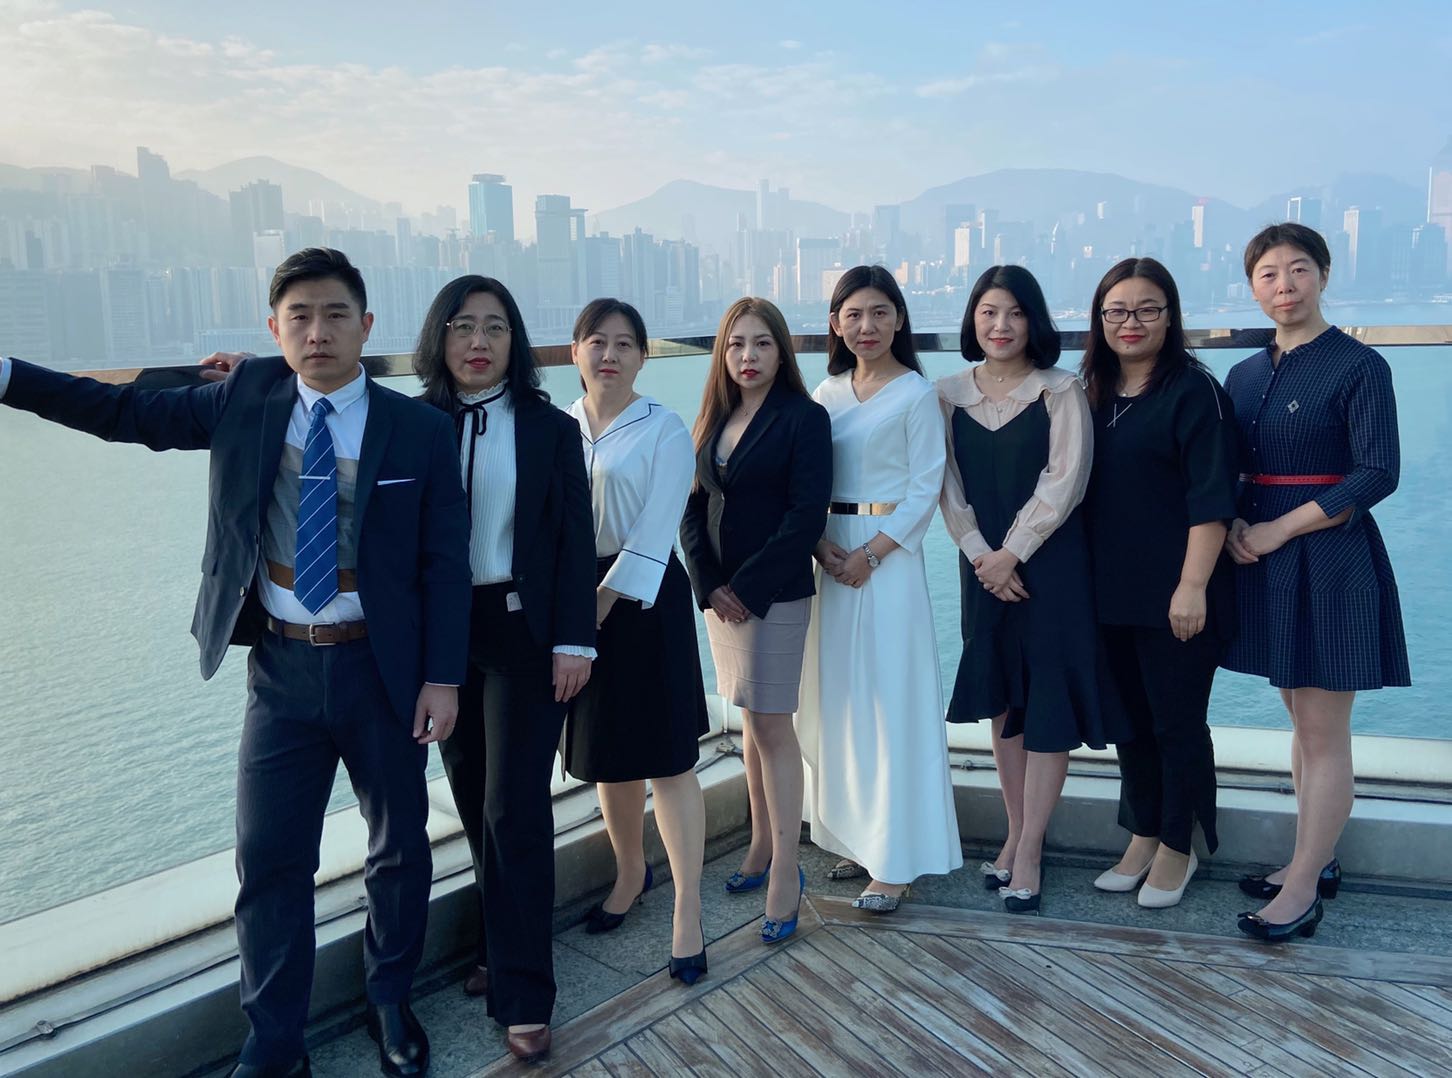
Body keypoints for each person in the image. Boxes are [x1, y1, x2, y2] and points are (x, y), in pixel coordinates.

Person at [0, 248, 471, 1078]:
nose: (318, 332)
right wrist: (8, 375)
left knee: (399, 848)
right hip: (281, 672)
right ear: (273, 329)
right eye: (299, 317)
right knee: (268, 859)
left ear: (366, 326)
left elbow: (445, 563)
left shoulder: (420, 429)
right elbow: (122, 413)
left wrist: (443, 676)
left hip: (384, 671)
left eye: (335, 315)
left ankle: (390, 999)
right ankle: (276, 1041)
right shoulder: (247, 395)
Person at [413, 276, 597, 1063]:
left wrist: (576, 641)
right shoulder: (414, 423)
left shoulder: (550, 428)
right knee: (469, 798)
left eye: (494, 326)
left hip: (525, 634)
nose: (478, 341)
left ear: (515, 341)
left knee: (512, 807)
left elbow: (575, 539)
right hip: (444, 639)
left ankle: (526, 993)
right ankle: (497, 946)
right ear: (440, 338)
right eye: (462, 326)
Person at [1224, 223, 1409, 942]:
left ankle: (1302, 888)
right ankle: (1315, 856)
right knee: (1299, 719)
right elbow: (1234, 466)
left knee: (1325, 729)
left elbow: (1377, 472)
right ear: (1252, 287)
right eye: (1268, 274)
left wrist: (1278, 528)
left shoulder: (1359, 365)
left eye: (1299, 269)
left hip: (1332, 558)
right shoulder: (1245, 374)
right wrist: (1238, 522)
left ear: (1324, 275)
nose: (1285, 286)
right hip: (1265, 556)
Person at [938, 264, 1114, 914]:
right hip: (982, 568)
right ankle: (1014, 834)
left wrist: (1012, 552)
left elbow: (1066, 481)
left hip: (1051, 568)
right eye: (989, 312)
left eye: (1015, 312)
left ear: (1033, 320)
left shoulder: (1061, 390)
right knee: (1002, 698)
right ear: (972, 320)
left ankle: (1032, 847)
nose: (1001, 325)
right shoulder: (947, 394)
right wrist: (981, 555)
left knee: (1047, 704)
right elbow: (945, 485)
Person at [797, 264, 963, 914]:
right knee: (841, 699)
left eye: (879, 312)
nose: (866, 325)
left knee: (891, 701)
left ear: (898, 319)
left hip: (886, 559)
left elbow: (926, 487)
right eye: (853, 314)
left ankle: (894, 862)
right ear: (835, 324)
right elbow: (806, 479)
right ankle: (855, 836)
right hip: (831, 553)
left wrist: (872, 554)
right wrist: (820, 544)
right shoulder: (825, 393)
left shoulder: (916, 393)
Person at [1079, 258, 1238, 909]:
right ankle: (1143, 831)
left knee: (1176, 723)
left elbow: (1212, 500)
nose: (1131, 322)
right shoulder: (1090, 392)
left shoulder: (1194, 392)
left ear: (1170, 317)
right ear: (1099, 320)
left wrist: (1192, 586)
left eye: (1147, 309)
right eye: (1117, 310)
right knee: (1130, 722)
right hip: (1107, 592)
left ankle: (1180, 844)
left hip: (1178, 592)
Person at [562, 299, 711, 983]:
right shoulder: (557, 427)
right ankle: (630, 873)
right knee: (607, 757)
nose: (610, 355)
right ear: (575, 352)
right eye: (597, 341)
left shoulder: (665, 428)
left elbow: (657, 526)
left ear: (643, 358)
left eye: (625, 344)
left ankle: (688, 908)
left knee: (668, 759)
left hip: (645, 603)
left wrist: (598, 603)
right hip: (575, 599)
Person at [680, 297, 832, 944]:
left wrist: (743, 588)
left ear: (781, 351)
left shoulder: (804, 418)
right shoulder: (713, 417)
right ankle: (761, 843)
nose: (748, 356)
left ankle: (787, 870)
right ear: (723, 353)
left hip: (774, 596)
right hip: (722, 600)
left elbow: (806, 515)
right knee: (748, 720)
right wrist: (709, 584)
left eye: (762, 343)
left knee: (772, 726)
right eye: (737, 344)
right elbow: (691, 508)